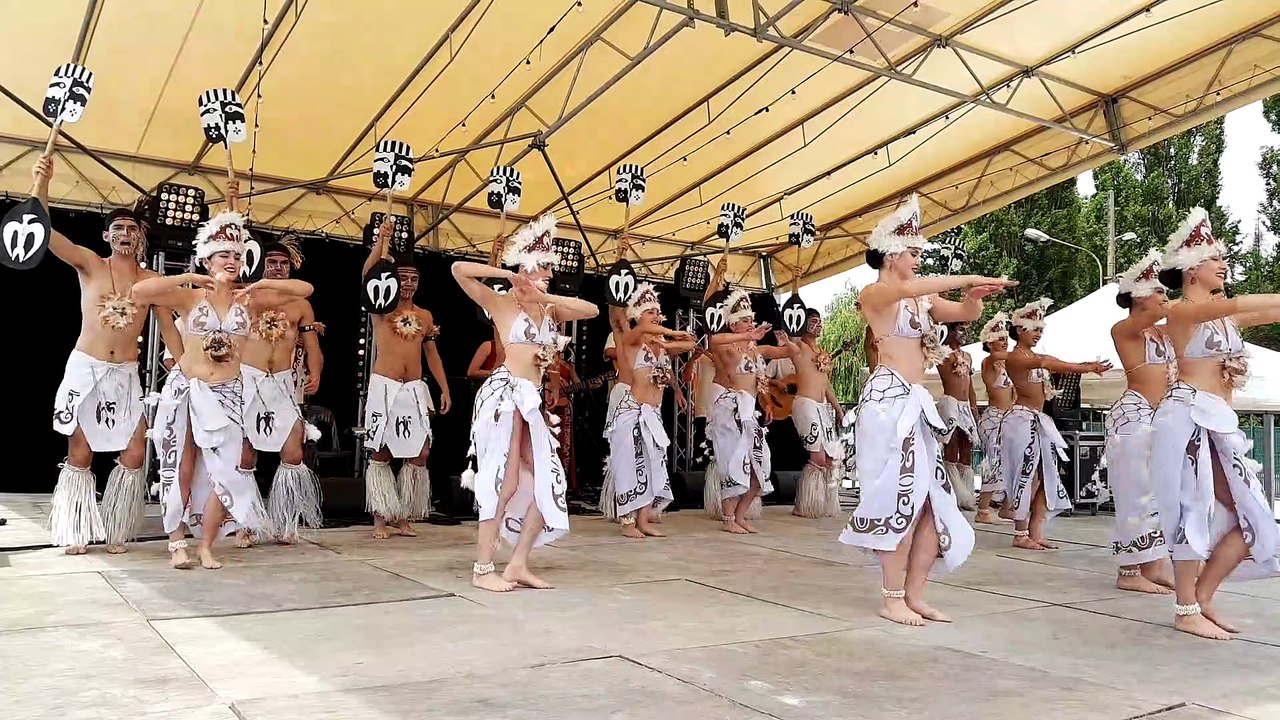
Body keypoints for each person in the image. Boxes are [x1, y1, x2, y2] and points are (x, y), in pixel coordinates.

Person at [839, 193, 1014, 626]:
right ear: (891, 253)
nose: (918, 259)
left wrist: (974, 296)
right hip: (887, 403)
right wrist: (964, 275)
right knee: (897, 495)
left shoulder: (919, 300)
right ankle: (891, 595)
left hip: (915, 404)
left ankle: (914, 594)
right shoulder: (875, 293)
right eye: (913, 252)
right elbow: (910, 288)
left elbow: (961, 311)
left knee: (930, 501)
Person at [134, 184, 313, 569]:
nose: (231, 260)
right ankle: (177, 541)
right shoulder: (190, 297)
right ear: (208, 259)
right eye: (223, 255)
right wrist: (188, 278)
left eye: (237, 254)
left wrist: (265, 283)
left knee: (226, 473)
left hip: (230, 391)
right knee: (180, 464)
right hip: (187, 387)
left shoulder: (250, 299)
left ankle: (207, 546)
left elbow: (305, 289)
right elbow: (140, 289)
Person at [33, 154, 182, 555]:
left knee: (134, 452)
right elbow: (46, 233)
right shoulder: (90, 264)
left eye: (131, 228)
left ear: (140, 238)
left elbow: (169, 327)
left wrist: (186, 368)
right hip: (87, 367)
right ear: (107, 237)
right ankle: (76, 529)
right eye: (118, 228)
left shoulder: (151, 281)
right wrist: (42, 185)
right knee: (80, 451)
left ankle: (117, 528)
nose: (125, 233)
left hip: (126, 373)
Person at [1150, 208, 1280, 640]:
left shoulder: (1224, 318)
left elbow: (1270, 308)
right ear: (1190, 270)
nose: (1224, 263)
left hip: (1219, 421)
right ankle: (1185, 607)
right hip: (1188, 416)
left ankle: (1203, 597)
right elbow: (1249, 303)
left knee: (1252, 514)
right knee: (1194, 507)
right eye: (1214, 257)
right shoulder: (1182, 312)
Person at [453, 214, 599, 591]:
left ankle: (517, 563)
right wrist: (505, 275)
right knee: (505, 479)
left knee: (549, 481)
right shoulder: (502, 305)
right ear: (526, 268)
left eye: (551, 267)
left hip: (532, 399)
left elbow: (592, 310)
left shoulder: (551, 310)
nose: (550, 271)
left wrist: (545, 297)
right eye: (544, 266)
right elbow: (458, 270)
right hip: (505, 394)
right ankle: (482, 568)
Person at [360, 219, 452, 539]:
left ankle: (404, 515)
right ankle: (381, 517)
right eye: (403, 278)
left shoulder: (425, 317)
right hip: (384, 386)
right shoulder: (381, 309)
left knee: (419, 451)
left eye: (414, 278)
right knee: (382, 451)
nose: (409, 283)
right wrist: (380, 243)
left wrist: (443, 388)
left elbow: (432, 355)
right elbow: (368, 274)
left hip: (414, 388)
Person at [1002, 298, 1111, 551]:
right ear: (1020, 329)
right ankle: (1020, 533)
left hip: (1039, 421)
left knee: (1046, 476)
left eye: (1041, 329)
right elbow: (1050, 364)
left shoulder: (1034, 355)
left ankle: (1036, 531)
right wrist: (1083, 368)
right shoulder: (1015, 357)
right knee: (1026, 475)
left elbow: (1056, 361)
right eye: (1034, 329)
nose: (1038, 334)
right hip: (1021, 420)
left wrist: (1088, 366)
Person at [239, 234, 325, 545]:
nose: (277, 268)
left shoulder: (301, 304)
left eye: (283, 263)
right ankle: (245, 524)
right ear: (260, 265)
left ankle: (286, 522)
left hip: (284, 383)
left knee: (292, 452)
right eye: (271, 263)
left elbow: (312, 345)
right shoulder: (246, 298)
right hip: (249, 380)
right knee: (246, 455)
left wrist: (315, 371)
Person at [1107, 249, 1177, 594]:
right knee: (1135, 493)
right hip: (1133, 419)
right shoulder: (1125, 329)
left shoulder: (1162, 334)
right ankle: (1129, 571)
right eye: (1160, 290)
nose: (1167, 296)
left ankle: (1154, 565)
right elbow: (1148, 319)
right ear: (1138, 295)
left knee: (1160, 493)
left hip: (1160, 418)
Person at [606, 282, 695, 538]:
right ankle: (626, 522)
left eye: (658, 311)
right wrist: (674, 334)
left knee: (654, 466)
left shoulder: (661, 347)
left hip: (653, 415)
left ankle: (643, 520)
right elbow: (644, 328)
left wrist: (670, 342)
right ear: (637, 316)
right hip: (632, 412)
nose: (656, 316)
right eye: (650, 312)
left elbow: (690, 346)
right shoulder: (631, 341)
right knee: (629, 466)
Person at [704, 282, 794, 534]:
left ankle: (742, 515)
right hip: (730, 410)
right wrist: (746, 336)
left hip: (749, 412)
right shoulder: (728, 348)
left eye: (751, 319)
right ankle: (728, 517)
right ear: (733, 324)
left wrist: (788, 341)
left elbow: (790, 352)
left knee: (760, 466)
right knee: (735, 464)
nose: (750, 324)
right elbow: (714, 338)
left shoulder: (758, 350)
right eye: (744, 320)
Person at [787, 308, 844, 518]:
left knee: (831, 459)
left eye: (820, 321)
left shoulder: (821, 352)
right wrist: (795, 283)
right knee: (818, 457)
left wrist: (838, 409)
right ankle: (805, 505)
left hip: (822, 407)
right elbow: (791, 322)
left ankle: (822, 504)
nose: (818, 325)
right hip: (805, 404)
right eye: (813, 321)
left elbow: (826, 385)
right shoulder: (799, 347)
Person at [974, 312, 1013, 524]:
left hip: (1008, 419)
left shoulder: (1007, 364)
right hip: (993, 419)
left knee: (1012, 462)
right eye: (1001, 339)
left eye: (1007, 339)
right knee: (994, 462)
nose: (1005, 343)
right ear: (989, 343)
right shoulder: (989, 361)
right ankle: (983, 509)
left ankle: (1008, 507)